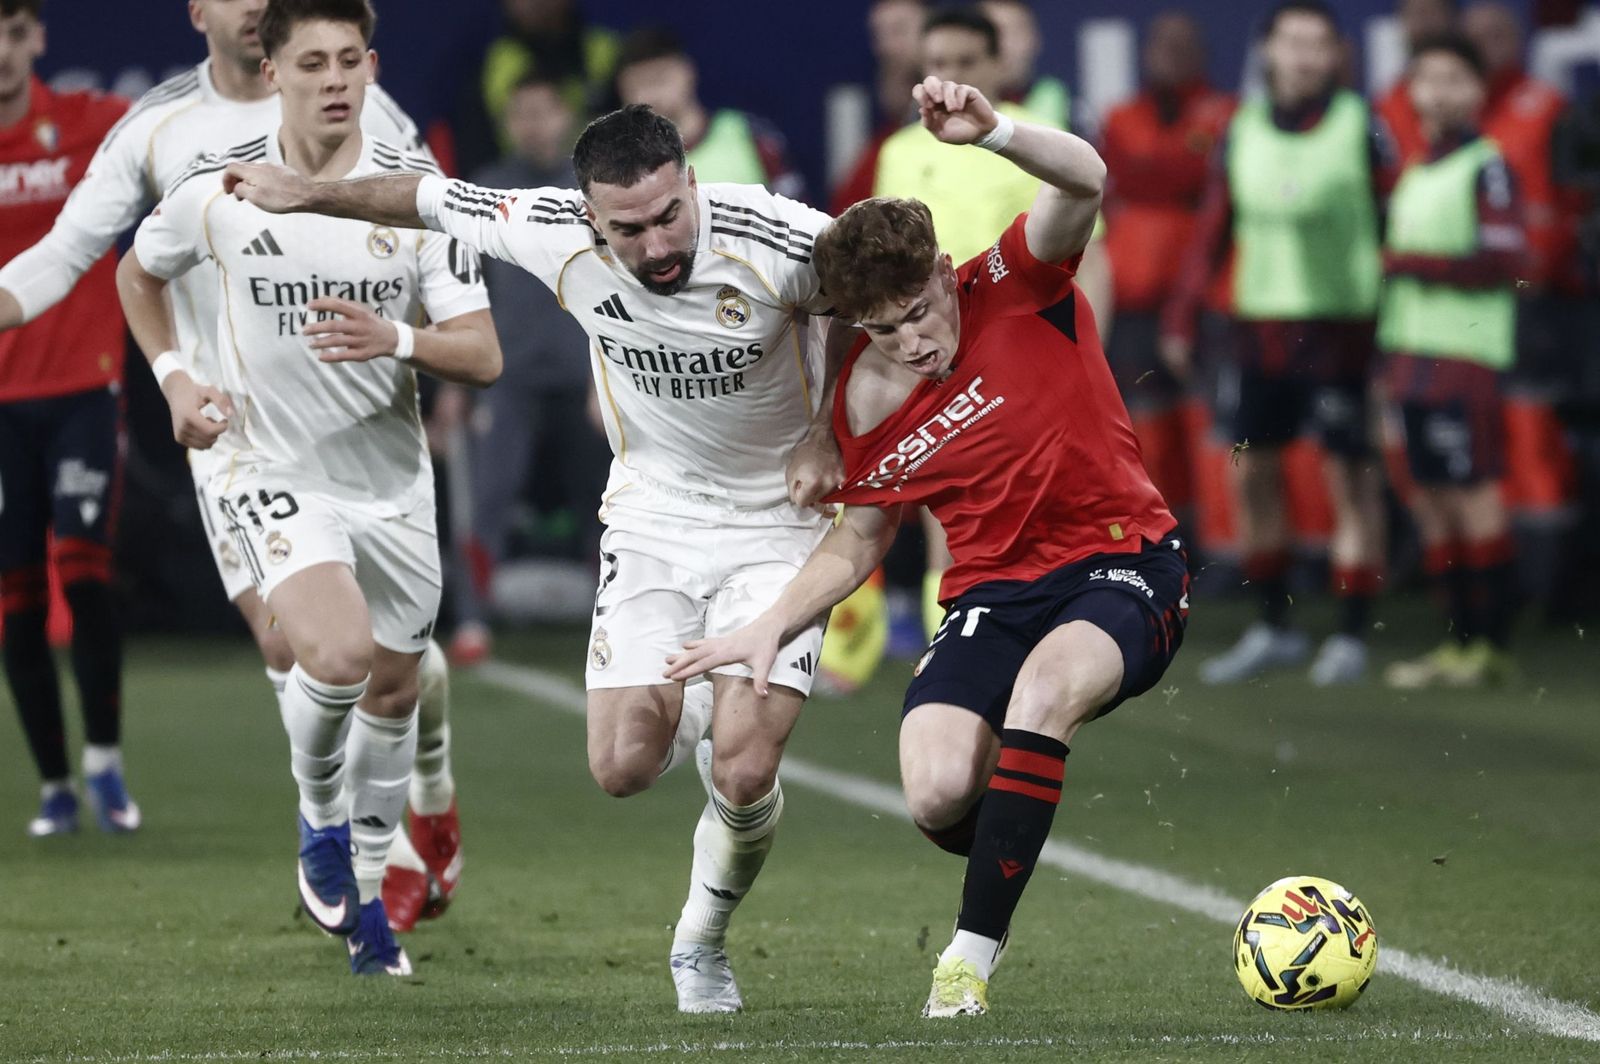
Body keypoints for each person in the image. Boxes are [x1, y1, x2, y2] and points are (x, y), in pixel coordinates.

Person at [224, 102, 842, 1012]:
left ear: (692, 184)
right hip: (654, 517)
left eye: (671, 214)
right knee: (622, 767)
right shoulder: (546, 228)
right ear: (588, 216)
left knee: (747, 767)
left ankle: (701, 943)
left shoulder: (782, 236)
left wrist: (830, 431)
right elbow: (424, 198)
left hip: (779, 525)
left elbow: (894, 299)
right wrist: (306, 193)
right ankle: (713, 706)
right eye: (626, 229)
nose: (656, 243)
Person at [667, 75, 1185, 1019]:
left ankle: (966, 964)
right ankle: (1019, 831)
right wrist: (770, 625)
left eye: (917, 313)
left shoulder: (1019, 281)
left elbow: (1087, 178)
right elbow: (860, 535)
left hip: (1121, 559)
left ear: (945, 275)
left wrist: (997, 135)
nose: (909, 341)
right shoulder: (866, 397)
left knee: (1042, 695)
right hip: (990, 589)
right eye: (880, 328)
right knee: (938, 791)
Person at [0, 0, 467, 926]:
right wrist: (173, 374)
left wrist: (429, 350)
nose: (256, 3)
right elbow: (70, 256)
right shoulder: (160, 128)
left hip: (364, 429)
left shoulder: (359, 107)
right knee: (294, 645)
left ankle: (428, 791)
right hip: (237, 437)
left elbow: (431, 232)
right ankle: (345, 851)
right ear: (198, 11)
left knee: (385, 659)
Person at [116, 0, 500, 974]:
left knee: (395, 683)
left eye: (348, 61)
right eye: (311, 63)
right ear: (273, 69)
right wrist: (173, 379)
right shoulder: (220, 191)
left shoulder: (419, 197)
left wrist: (398, 339)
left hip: (389, 478)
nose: (333, 79)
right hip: (268, 463)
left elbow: (484, 353)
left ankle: (368, 902)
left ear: (370, 67)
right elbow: (138, 273)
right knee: (327, 651)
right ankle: (319, 820)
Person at [1162, 0, 1393, 686]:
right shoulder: (1242, 127)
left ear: (1335, 56)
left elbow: (1394, 220)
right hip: (1259, 326)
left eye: (1317, 44)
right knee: (1255, 475)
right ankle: (1274, 625)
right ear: (1268, 53)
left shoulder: (1361, 127)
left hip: (1342, 326)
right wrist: (1183, 315)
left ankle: (1352, 633)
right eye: (1291, 43)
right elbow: (1214, 227)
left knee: (1351, 477)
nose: (1303, 56)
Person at [0, 0, 134, 837]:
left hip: (86, 390)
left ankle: (106, 766)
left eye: (13, 33)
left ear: (38, 39)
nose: (1, 53)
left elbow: (191, 133)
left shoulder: (94, 124)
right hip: (2, 404)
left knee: (85, 574)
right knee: (15, 596)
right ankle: (54, 784)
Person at [1379, 33, 1524, 688]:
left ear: (1478, 91)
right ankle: (1458, 643)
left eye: (1453, 79)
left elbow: (1503, 261)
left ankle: (1492, 644)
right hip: (1412, 354)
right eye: (1427, 78)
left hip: (1465, 352)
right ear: (1411, 91)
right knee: (1434, 498)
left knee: (1475, 493)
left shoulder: (1487, 167)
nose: (1438, 92)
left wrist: (1406, 263)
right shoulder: (1420, 166)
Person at [448, 72, 608, 667]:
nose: (533, 125)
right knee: (487, 503)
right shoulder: (487, 191)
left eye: (543, 111)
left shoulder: (594, 189)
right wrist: (453, 387)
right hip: (507, 379)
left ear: (565, 114)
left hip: (589, 377)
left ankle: (614, 624)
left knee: (609, 506)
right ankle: (470, 620)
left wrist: (620, 374)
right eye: (521, 114)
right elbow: (460, 294)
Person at [1462, 1, 1580, 613]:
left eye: (1499, 33)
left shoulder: (1549, 110)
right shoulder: (1451, 118)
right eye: (1476, 35)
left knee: (1534, 443)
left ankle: (1550, 586)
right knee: (1483, 450)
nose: (1488, 45)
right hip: (1466, 313)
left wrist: (1544, 271)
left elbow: (1574, 204)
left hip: (1537, 310)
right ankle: (1496, 585)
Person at [1098, 11, 1234, 541]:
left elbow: (1173, 174)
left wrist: (1150, 172)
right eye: (1162, 44)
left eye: (1183, 45)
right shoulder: (1121, 116)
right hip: (1133, 300)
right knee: (1145, 426)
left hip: (1200, 297)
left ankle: (1221, 546)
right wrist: (1174, 173)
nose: (1171, 55)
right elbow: (1122, 175)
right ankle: (1161, 537)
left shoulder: (1224, 112)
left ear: (1201, 53)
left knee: (1206, 426)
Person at [612, 27, 804, 199]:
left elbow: (799, 222)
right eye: (639, 84)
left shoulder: (750, 135)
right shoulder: (608, 162)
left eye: (660, 79)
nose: (653, 95)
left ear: (687, 72)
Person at [461, 0, 618, 173]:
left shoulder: (603, 47)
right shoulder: (497, 62)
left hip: (605, 170)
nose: (535, 3)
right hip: (521, 182)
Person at [1375, 0, 1459, 163]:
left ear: (1451, 16)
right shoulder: (1387, 102)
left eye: (1432, 11)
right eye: (1416, 12)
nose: (1424, 21)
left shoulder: (1475, 95)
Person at [978, 0, 1068, 127]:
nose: (1002, 46)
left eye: (1013, 33)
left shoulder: (1065, 104)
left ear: (1035, 39)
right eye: (991, 34)